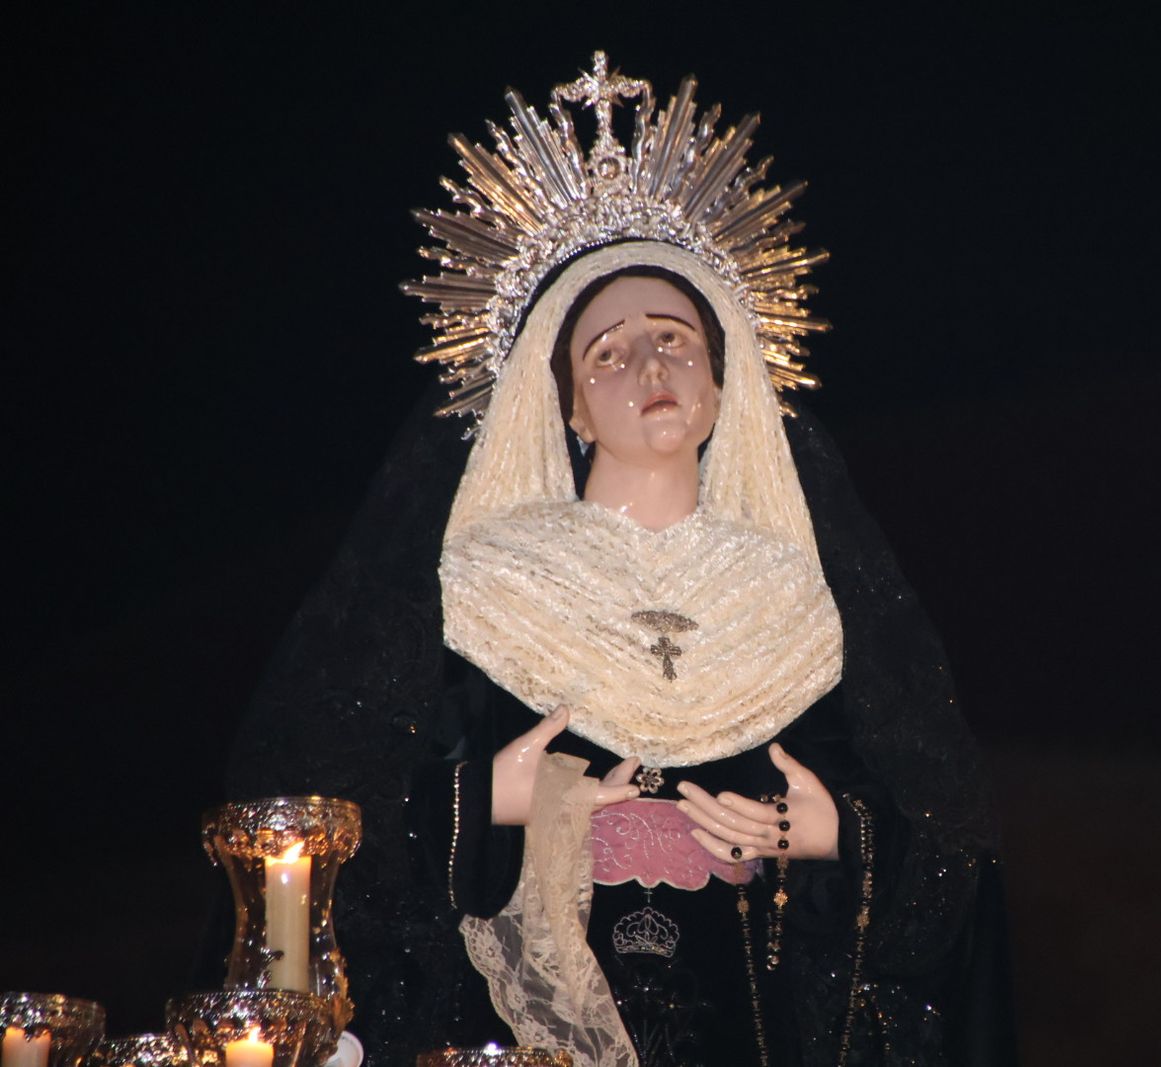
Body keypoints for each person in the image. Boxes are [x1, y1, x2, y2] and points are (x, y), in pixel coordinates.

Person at [225, 53, 1013, 1067]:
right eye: (608, 352)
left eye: (676, 340)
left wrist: (833, 834)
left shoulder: (796, 604)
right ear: (562, 402)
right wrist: (486, 802)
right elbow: (317, 835)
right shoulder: (478, 590)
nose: (649, 366)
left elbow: (945, 865)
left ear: (725, 383)